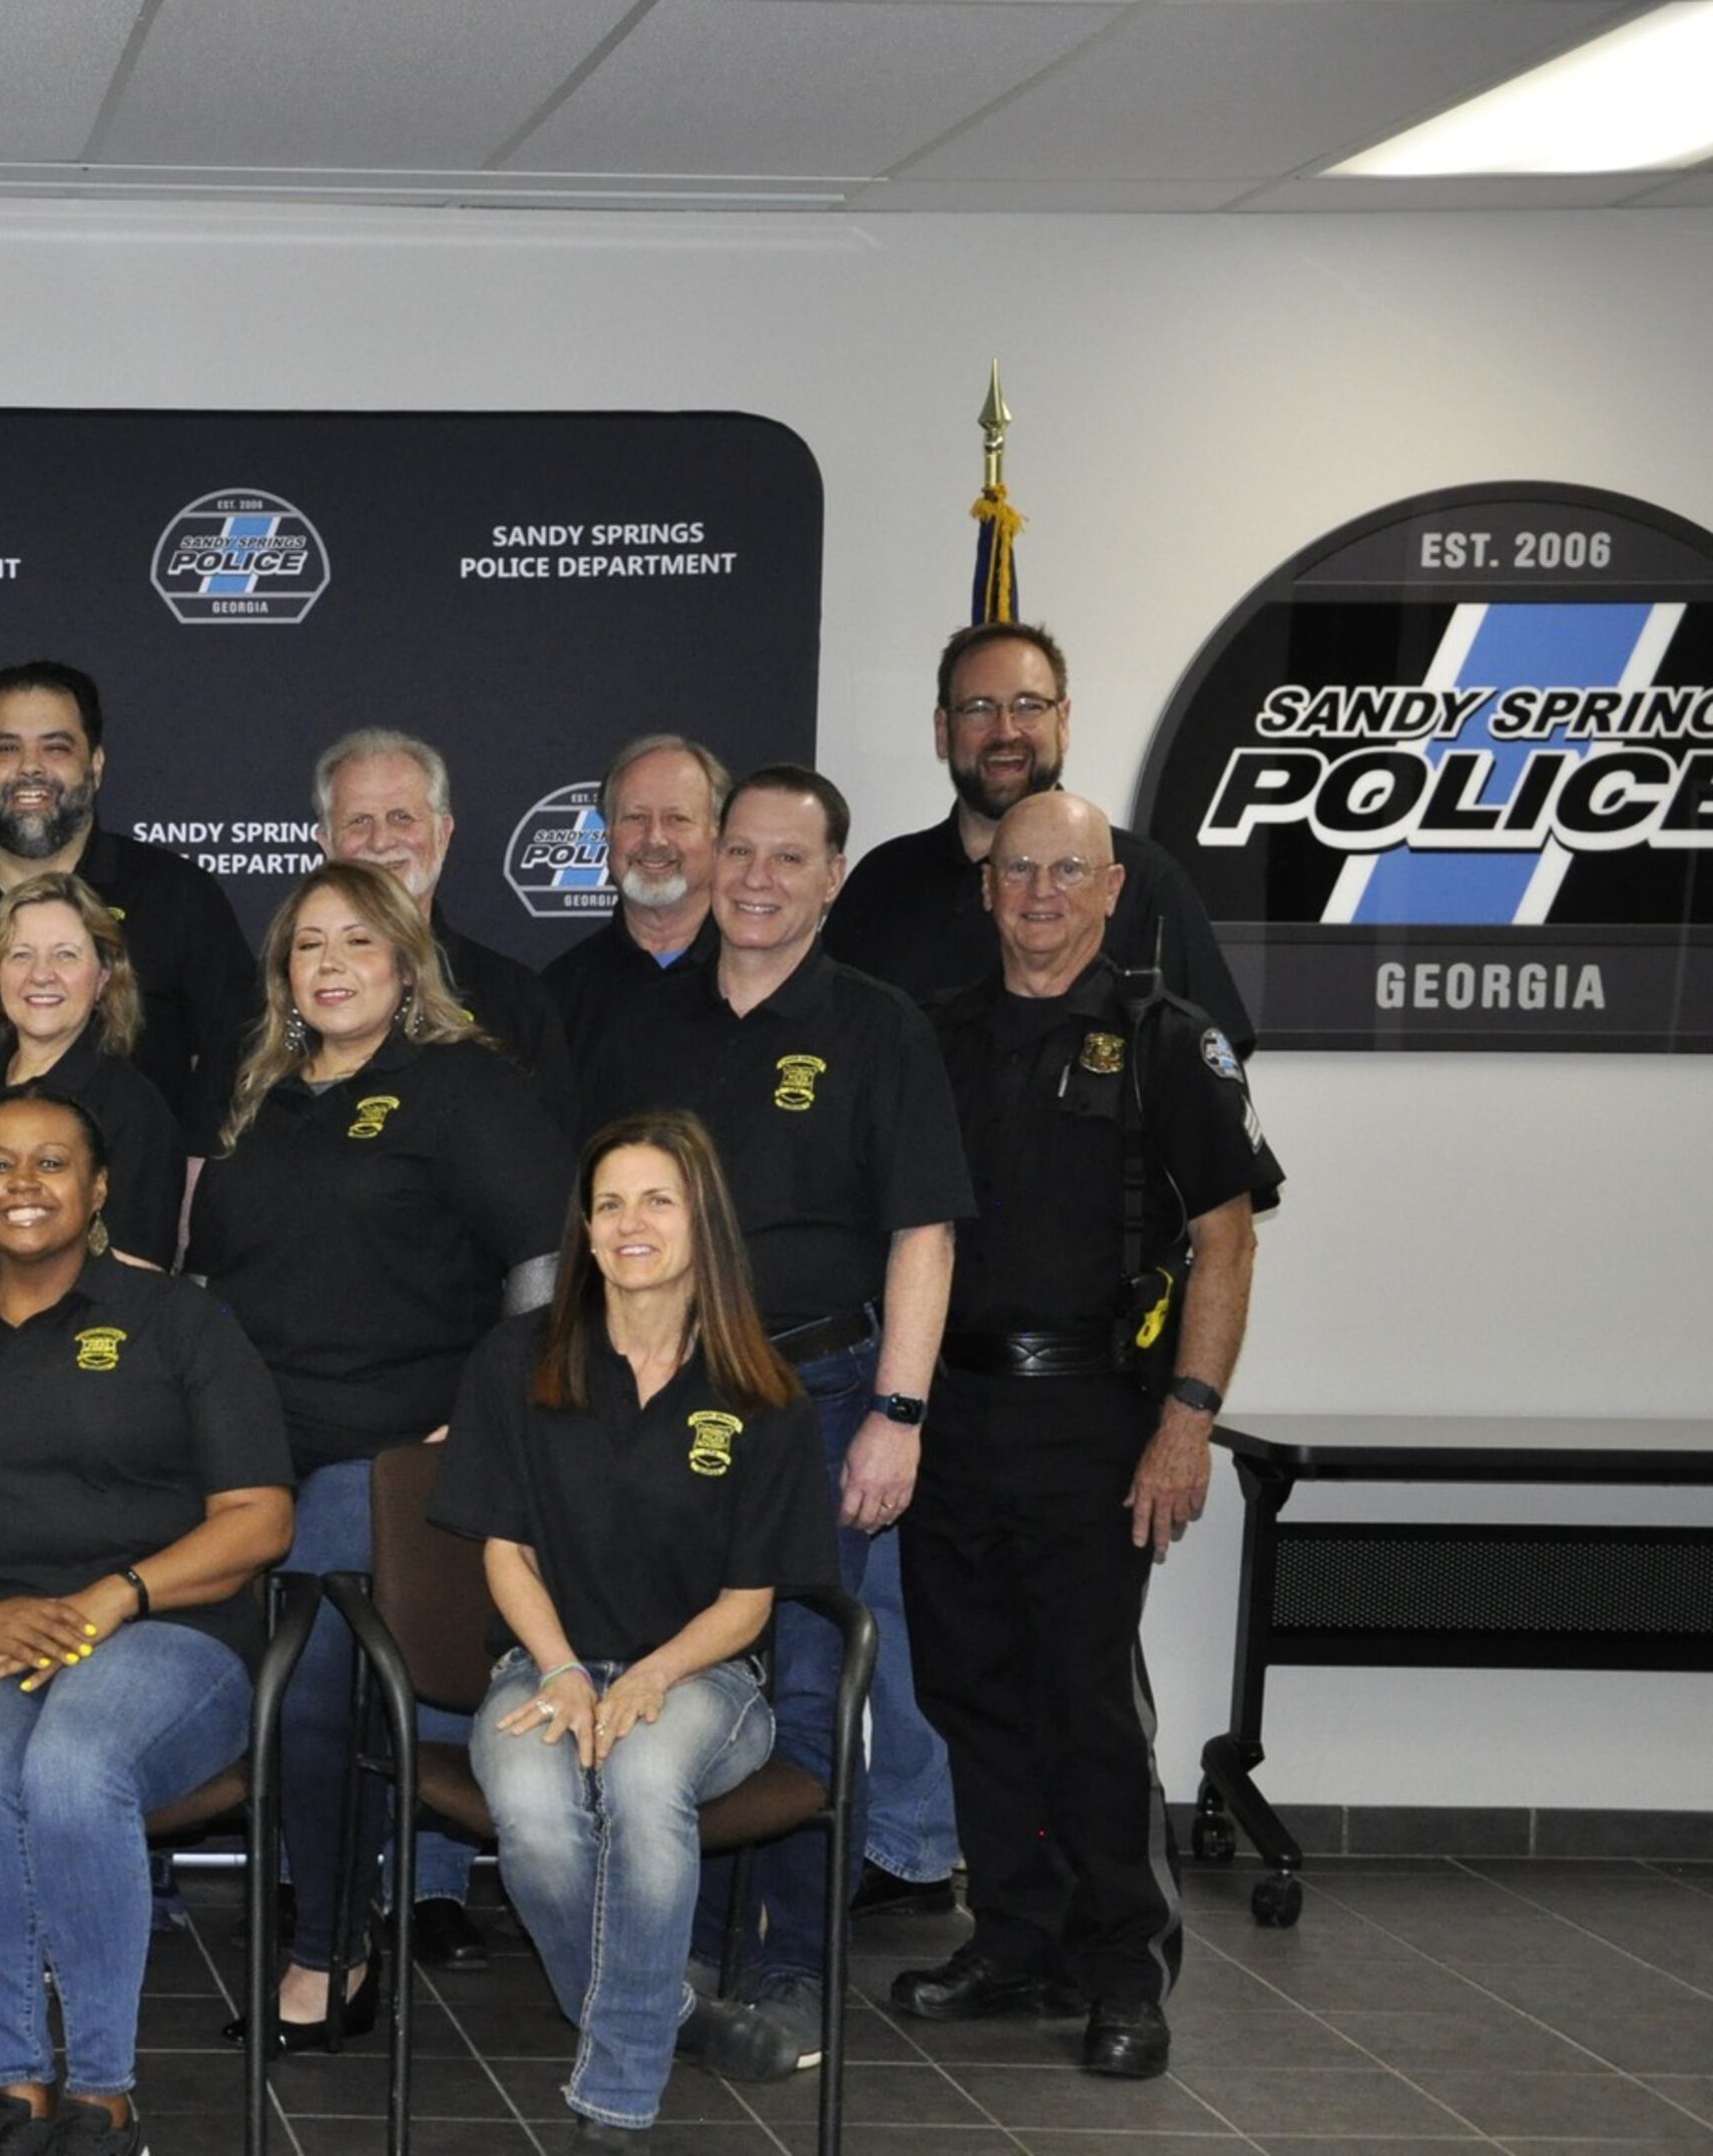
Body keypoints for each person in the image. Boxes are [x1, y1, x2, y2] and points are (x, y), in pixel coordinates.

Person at [573, 764, 975, 2068]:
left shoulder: (877, 1027)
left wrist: (898, 1415)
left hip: (822, 1398)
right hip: (654, 1405)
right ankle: (678, 1955)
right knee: (671, 1673)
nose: (753, 878)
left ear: (831, 880)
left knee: (808, 1689)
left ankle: (792, 1969)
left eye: (786, 859)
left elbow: (922, 1232)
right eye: (737, 851)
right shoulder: (641, 1025)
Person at [896, 791, 1281, 2081]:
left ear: (1114, 891)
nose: (1041, 893)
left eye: (1069, 872)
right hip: (951, 1414)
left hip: (1095, 1422)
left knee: (1084, 1704)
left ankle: (1125, 1962)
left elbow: (1226, 1236)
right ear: (988, 888)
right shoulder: (929, 1040)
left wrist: (1189, 1418)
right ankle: (1017, 1939)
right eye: (1019, 871)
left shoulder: (1166, 1042)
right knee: (969, 1687)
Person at [0, 1090, 297, 2156]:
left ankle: (101, 2088)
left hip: (165, 1633)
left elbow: (260, 1518)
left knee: (76, 1762)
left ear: (97, 1191)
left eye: (51, 1165)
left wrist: (114, 1596)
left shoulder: (180, 1320)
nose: (23, 1187)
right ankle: (15, 2081)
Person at [188, 861, 568, 2030]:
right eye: (309, 946)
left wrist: (486, 1410)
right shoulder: (261, 1094)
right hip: (249, 1450)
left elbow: (554, 1270)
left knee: (308, 1674)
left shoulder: (462, 1087)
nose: (333, 963)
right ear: (284, 975)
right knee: (254, 1680)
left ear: (407, 962)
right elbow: (211, 1277)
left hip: (394, 1450)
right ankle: (318, 1913)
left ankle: (329, 1952)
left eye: (359, 940)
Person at [435, 1111, 841, 2149]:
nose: (629, 1224)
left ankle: (615, 2102)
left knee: (643, 1779)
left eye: (657, 1200)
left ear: (704, 1221)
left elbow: (750, 1605)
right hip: (543, 1660)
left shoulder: (764, 1392)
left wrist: (647, 1675)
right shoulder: (516, 1359)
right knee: (529, 1805)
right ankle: (668, 2013)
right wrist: (566, 1671)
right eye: (608, 1202)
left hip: (706, 1680)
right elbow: (503, 1552)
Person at [0, 663, 260, 1155]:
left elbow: (241, 1049)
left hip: (136, 1212)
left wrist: (196, 1185)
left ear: (95, 764)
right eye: (6, 748)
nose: (30, 767)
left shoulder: (176, 896)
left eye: (55, 747)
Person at [829, 624, 1255, 1053]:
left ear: (1063, 721)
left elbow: (1209, 1068)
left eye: (1028, 706)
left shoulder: (1143, 881)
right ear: (943, 730)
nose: (1006, 731)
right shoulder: (881, 885)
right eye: (978, 708)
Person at [0, 872, 183, 1311]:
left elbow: (135, 1288)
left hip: (71, 1369)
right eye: (20, 955)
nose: (42, 975)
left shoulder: (134, 1113)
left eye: (66, 955)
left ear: (103, 978)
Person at [312, 727, 575, 1117]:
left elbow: (554, 1158)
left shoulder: (514, 1000)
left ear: (443, 833)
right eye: (359, 821)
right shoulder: (282, 998)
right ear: (326, 843)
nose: (381, 840)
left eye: (402, 817)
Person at [541, 734, 726, 1081]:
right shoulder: (559, 994)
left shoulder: (759, 974)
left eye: (677, 819)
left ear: (717, 834)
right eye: (635, 818)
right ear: (608, 832)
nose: (654, 838)